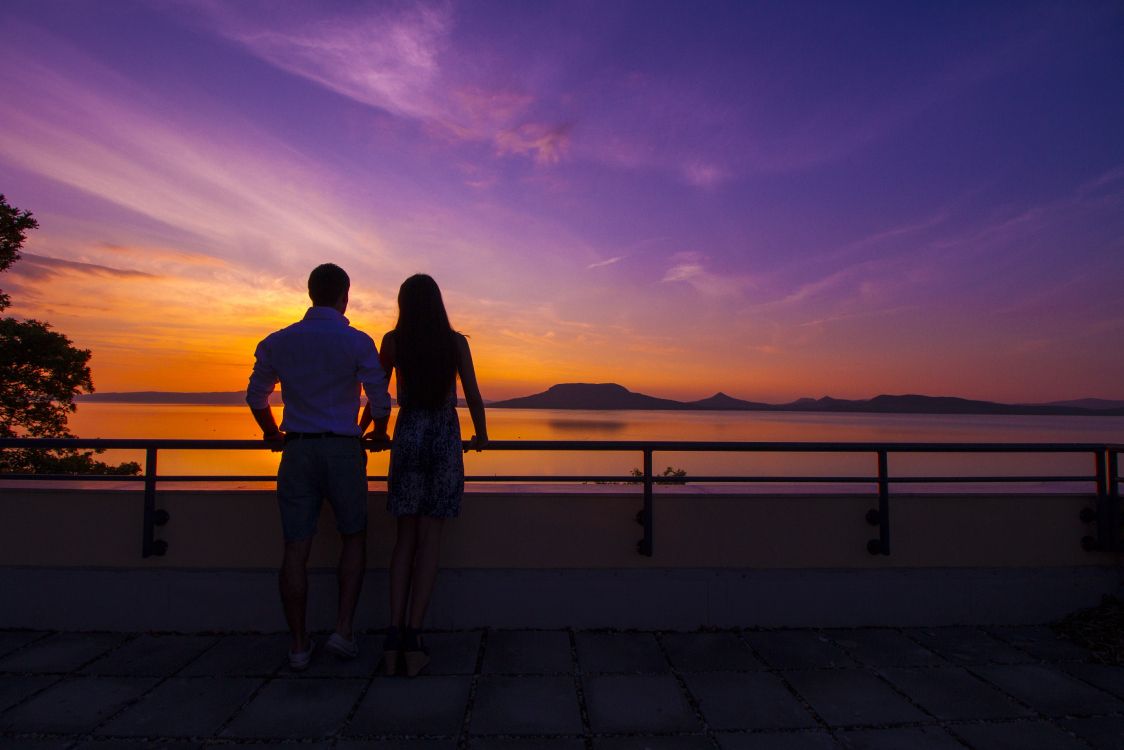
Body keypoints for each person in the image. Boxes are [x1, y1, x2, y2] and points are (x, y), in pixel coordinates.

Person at [246, 263, 391, 671]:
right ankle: (343, 631)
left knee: (296, 547)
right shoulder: (357, 342)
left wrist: (272, 434)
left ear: (311, 293)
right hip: (344, 450)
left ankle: (297, 645)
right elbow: (379, 401)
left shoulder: (279, 341)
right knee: (354, 538)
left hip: (298, 450)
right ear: (345, 293)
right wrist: (379, 432)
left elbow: (257, 397)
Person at [361, 273, 487, 677]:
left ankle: (393, 636)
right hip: (443, 434)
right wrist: (481, 436)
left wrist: (372, 431)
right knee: (430, 537)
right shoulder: (455, 342)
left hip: (410, 431)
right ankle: (415, 638)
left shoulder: (393, 341)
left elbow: (378, 395)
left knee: (405, 539)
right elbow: (472, 392)